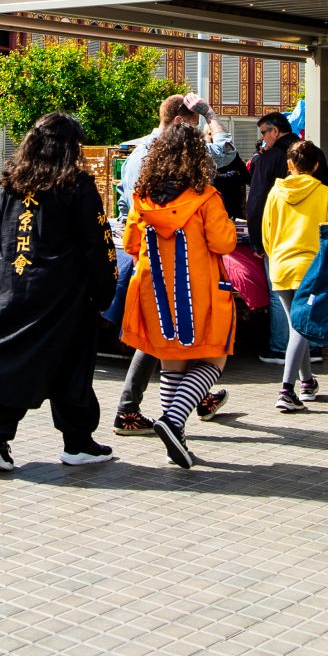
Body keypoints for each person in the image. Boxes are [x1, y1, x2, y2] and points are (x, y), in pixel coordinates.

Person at [0, 113, 119, 472]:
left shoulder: (15, 182)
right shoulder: (76, 184)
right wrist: (105, 289)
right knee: (69, 363)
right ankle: (65, 441)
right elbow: (99, 242)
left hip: (14, 286)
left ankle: (5, 438)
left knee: (24, 361)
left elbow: (0, 238)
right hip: (62, 293)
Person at [118, 123, 239, 468]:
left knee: (171, 362)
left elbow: (131, 244)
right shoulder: (205, 198)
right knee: (214, 359)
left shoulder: (141, 197)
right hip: (197, 292)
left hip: (153, 293)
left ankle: (177, 438)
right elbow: (224, 242)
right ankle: (173, 421)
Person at [261, 138, 328, 413]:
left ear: (289, 164)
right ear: (315, 165)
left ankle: (306, 382)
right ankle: (286, 389)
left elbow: (267, 233)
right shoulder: (326, 194)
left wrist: (276, 256)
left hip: (280, 264)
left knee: (296, 325)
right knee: (300, 327)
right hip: (310, 267)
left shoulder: (275, 193)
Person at [245, 110, 299, 367]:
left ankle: (280, 347)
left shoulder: (271, 159)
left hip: (277, 236)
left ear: (275, 131)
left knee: (280, 292)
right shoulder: (313, 154)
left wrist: (256, 240)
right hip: (307, 236)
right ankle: (315, 346)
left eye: (264, 133)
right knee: (305, 291)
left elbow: (255, 203)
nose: (263, 139)